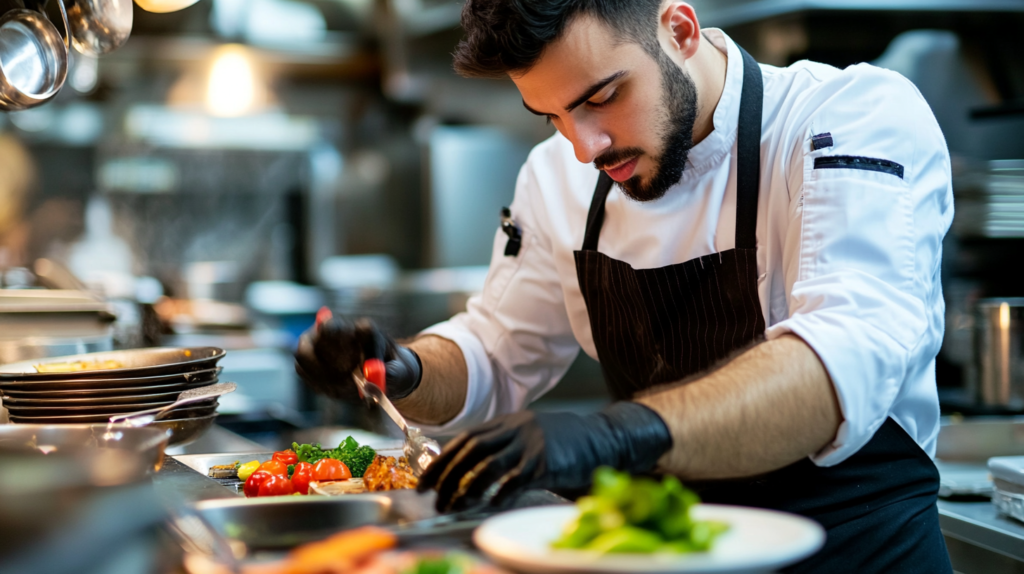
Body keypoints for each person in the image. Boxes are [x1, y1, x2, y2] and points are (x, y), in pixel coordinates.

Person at [296, 1, 954, 571]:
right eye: (550, 116)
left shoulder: (850, 116)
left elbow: (842, 356)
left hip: (856, 554)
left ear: (680, 30)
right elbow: (494, 352)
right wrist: (403, 368)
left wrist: (617, 435)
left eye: (601, 97)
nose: (585, 147)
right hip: (663, 550)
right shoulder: (557, 175)